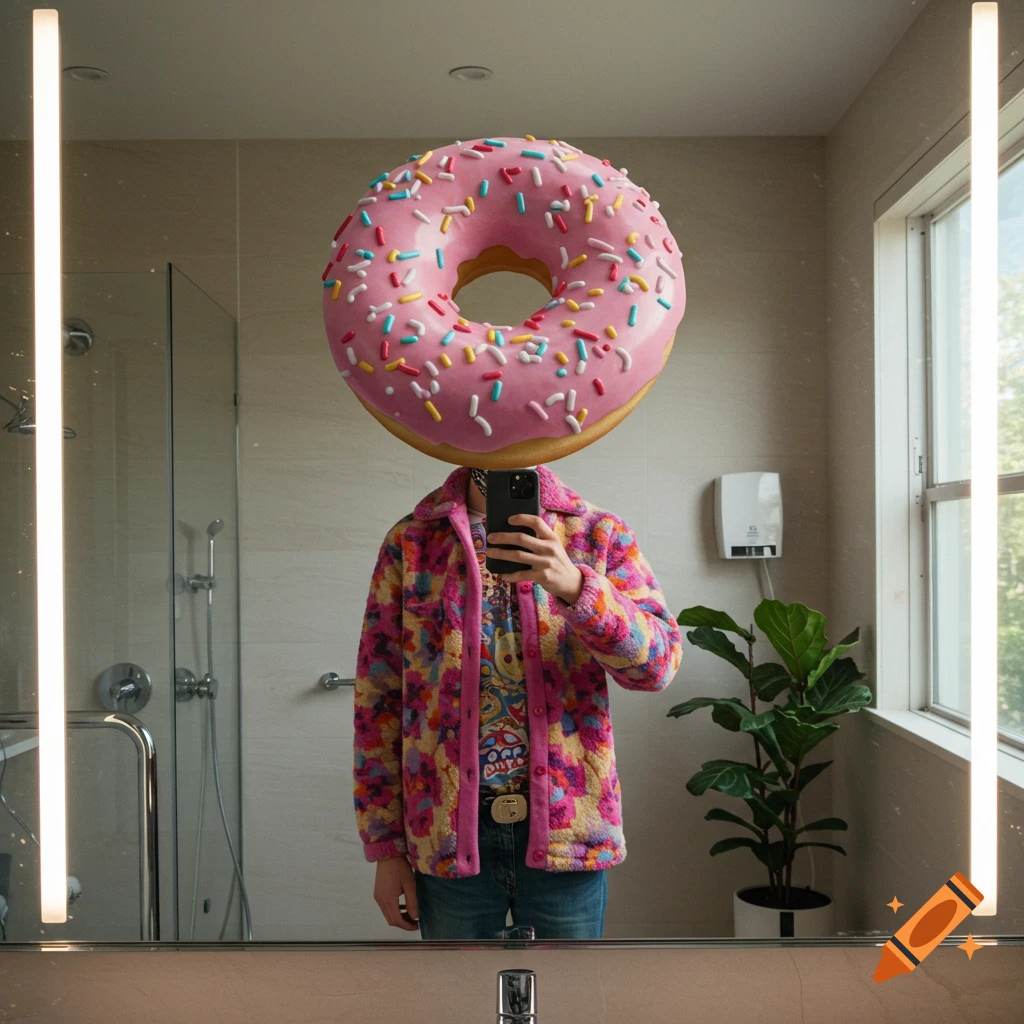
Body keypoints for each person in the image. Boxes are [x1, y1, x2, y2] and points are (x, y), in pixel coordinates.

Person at [354, 463, 682, 939]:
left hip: (566, 834)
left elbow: (659, 667)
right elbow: (377, 699)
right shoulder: (413, 540)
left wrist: (574, 585)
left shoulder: (597, 534)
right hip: (446, 835)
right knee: (459, 1005)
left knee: (567, 1004)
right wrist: (386, 847)